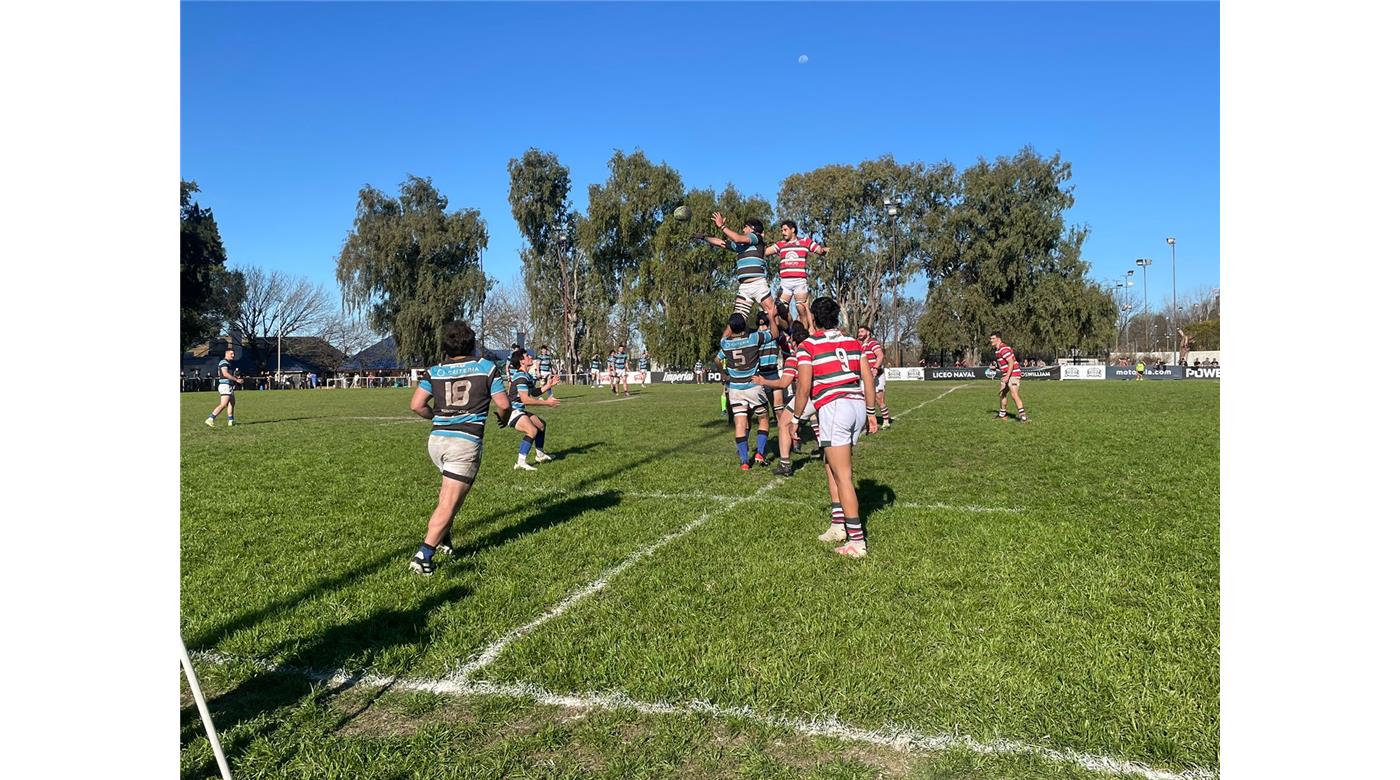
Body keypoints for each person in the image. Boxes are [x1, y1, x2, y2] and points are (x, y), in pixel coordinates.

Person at [406, 321, 514, 576]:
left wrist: (437, 416)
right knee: (450, 502)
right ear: (472, 344)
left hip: (437, 441)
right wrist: (503, 416)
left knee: (449, 494)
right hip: (464, 442)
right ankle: (424, 554)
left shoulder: (435, 371)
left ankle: (444, 537)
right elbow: (503, 403)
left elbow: (416, 404)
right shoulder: (486, 368)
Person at [792, 297, 879, 558]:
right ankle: (838, 524)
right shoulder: (853, 342)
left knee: (843, 475)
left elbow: (804, 387)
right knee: (830, 466)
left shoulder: (809, 345)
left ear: (814, 320)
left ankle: (856, 540)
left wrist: (795, 420)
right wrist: (872, 413)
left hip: (834, 407)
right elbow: (867, 378)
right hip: (855, 405)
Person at [716, 312, 779, 470]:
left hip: (736, 388)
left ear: (730, 328)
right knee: (764, 419)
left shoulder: (725, 343)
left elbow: (717, 359)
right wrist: (771, 317)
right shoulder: (754, 338)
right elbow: (775, 333)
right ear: (744, 326)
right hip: (753, 386)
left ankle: (744, 461)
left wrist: (724, 374)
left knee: (740, 424)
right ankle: (760, 453)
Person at [696, 212, 778, 325]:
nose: (743, 230)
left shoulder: (756, 237)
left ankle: (786, 333)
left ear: (751, 228)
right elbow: (721, 243)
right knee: (738, 320)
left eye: (745, 227)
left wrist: (722, 226)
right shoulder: (740, 246)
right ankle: (735, 341)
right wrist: (704, 237)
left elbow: (738, 238)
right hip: (744, 287)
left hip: (758, 283)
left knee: (772, 313)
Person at [753, 321, 812, 476]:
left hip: (809, 395)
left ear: (793, 341)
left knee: (784, 424)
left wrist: (763, 381)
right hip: (830, 394)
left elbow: (784, 383)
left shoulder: (795, 357)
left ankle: (785, 464)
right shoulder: (816, 351)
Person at [765, 219, 828, 331]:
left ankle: (804, 332)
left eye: (785, 230)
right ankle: (790, 330)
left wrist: (823, 250)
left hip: (800, 281)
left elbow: (819, 250)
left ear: (793, 230)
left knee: (801, 307)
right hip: (785, 282)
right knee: (781, 309)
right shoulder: (781, 244)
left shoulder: (805, 241)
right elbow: (765, 252)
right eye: (781, 230)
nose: (783, 232)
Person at [505, 349, 562, 470]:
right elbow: (526, 400)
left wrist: (549, 385)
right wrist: (547, 403)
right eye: (527, 356)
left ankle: (540, 455)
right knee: (532, 431)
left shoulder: (526, 375)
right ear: (522, 361)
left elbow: (534, 393)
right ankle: (520, 462)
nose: (530, 357)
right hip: (512, 412)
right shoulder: (520, 376)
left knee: (541, 425)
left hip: (518, 410)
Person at [856, 325, 892, 429]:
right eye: (859, 332)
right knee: (863, 400)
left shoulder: (873, 343)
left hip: (877, 376)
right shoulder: (860, 345)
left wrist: (875, 368)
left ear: (868, 333)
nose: (859, 333)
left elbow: (880, 355)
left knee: (878, 399)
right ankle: (867, 422)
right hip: (865, 377)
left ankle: (886, 421)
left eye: (862, 331)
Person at [990, 333, 1027, 421]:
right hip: (1007, 374)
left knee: (1014, 394)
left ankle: (1023, 416)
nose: (991, 340)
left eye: (993, 338)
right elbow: (1005, 364)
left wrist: (1007, 376)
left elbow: (1011, 362)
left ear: (998, 339)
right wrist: (996, 368)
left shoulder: (1003, 348)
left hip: (1013, 374)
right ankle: (1002, 415)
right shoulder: (997, 350)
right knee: (1002, 394)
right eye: (990, 338)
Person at [205, 349, 244, 426]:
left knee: (232, 403)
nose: (233, 355)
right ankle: (210, 418)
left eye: (233, 354)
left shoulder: (228, 363)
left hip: (228, 385)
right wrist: (236, 379)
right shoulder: (224, 362)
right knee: (223, 404)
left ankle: (231, 420)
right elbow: (225, 374)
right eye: (231, 354)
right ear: (226, 354)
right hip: (225, 385)